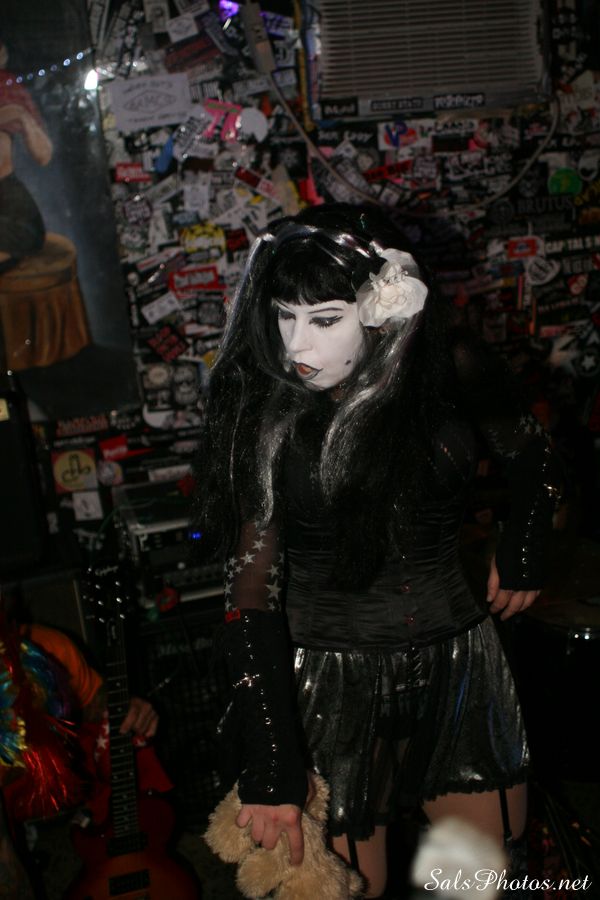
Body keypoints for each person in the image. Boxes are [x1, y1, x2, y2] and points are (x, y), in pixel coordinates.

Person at [193, 203, 562, 898]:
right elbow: (250, 596)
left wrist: (525, 545)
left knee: (480, 879)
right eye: (283, 315)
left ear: (384, 309)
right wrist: (273, 762)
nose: (296, 343)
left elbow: (532, 456)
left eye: (325, 318)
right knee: (343, 887)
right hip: (329, 683)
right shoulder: (268, 416)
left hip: (459, 663)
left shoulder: (450, 364)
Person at [0, 38, 52, 272]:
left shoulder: (8, 87)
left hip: (8, 193)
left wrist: (21, 115)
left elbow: (44, 155)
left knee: (29, 237)